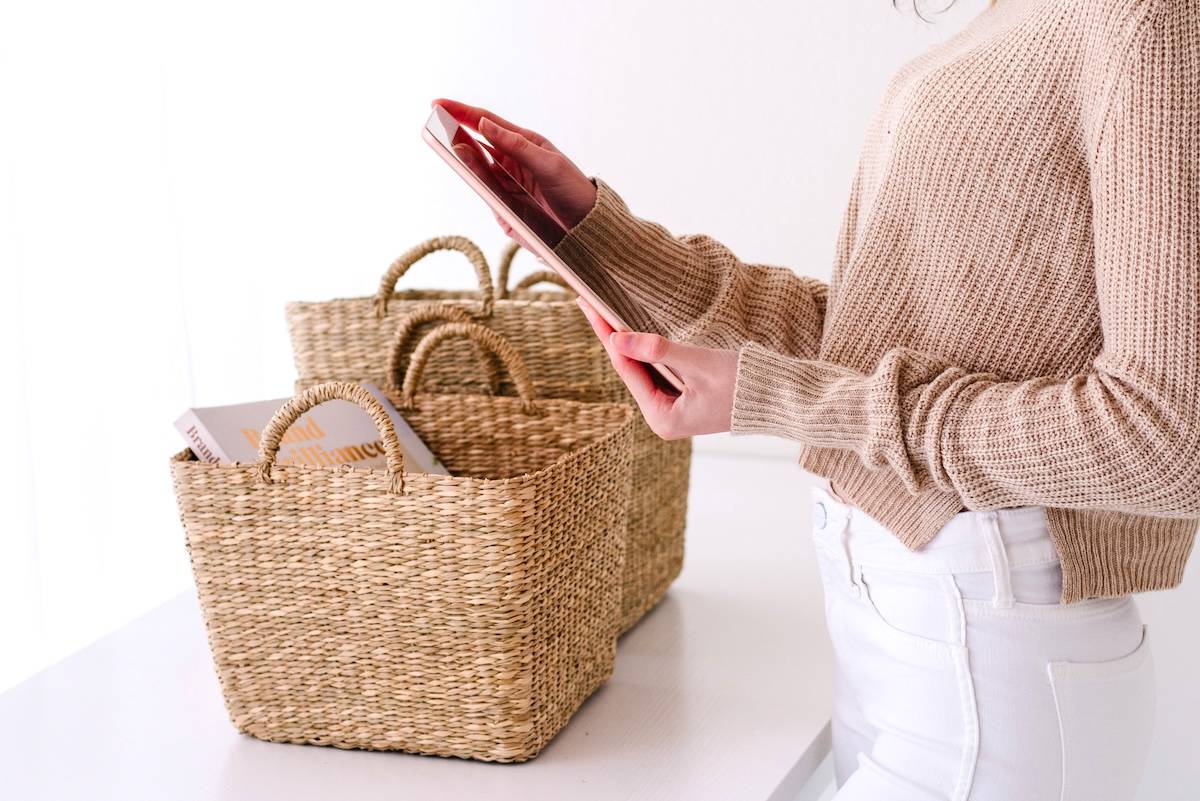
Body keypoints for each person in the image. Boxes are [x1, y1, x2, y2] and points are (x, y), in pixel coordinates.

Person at [434, 0, 1197, 797]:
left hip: (984, 652)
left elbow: (1171, 436)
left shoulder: (1148, 20)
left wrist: (780, 398)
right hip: (911, 631)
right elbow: (868, 339)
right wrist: (600, 236)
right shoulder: (1019, 17)